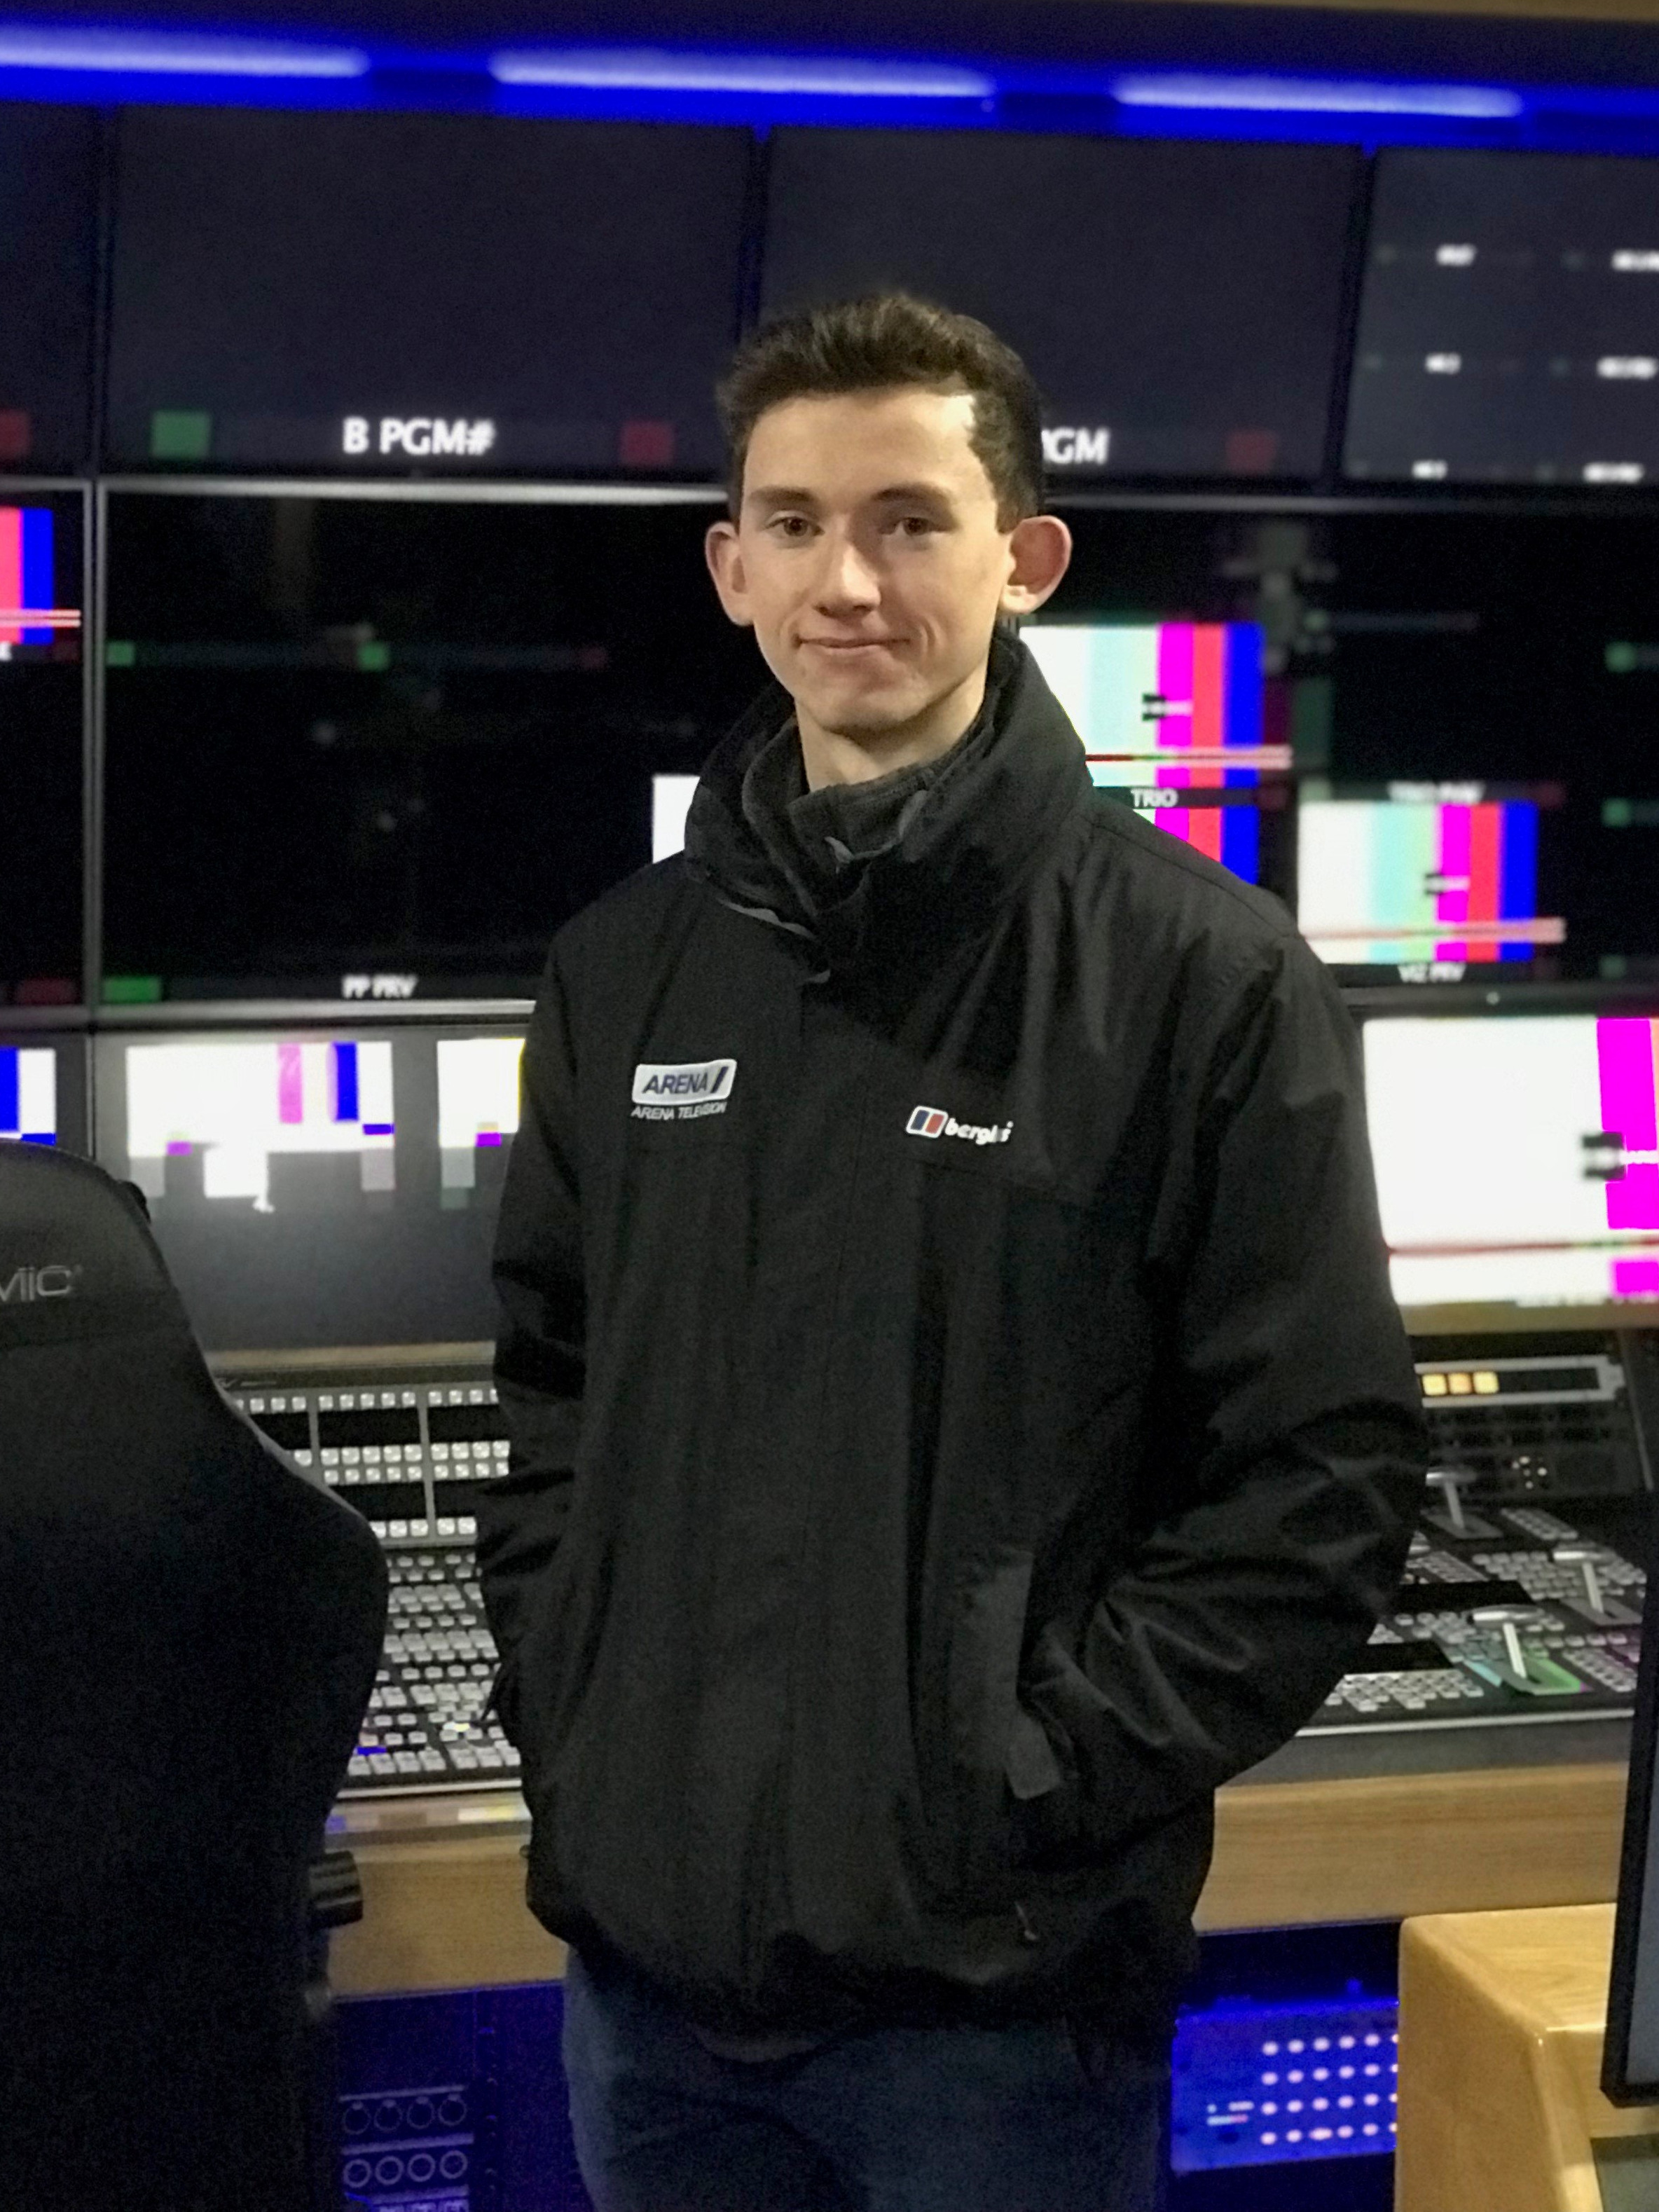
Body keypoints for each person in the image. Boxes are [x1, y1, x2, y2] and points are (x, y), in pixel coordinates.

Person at [479, 291, 1427, 2212]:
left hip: (997, 2025)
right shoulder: (620, 970)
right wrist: (580, 1713)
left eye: (911, 518)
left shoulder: (1200, 983)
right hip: (648, 2009)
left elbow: (1321, 1483)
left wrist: (1016, 1781)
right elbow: (555, 1386)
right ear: (730, 565)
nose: (850, 579)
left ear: (1026, 559)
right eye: (798, 522)